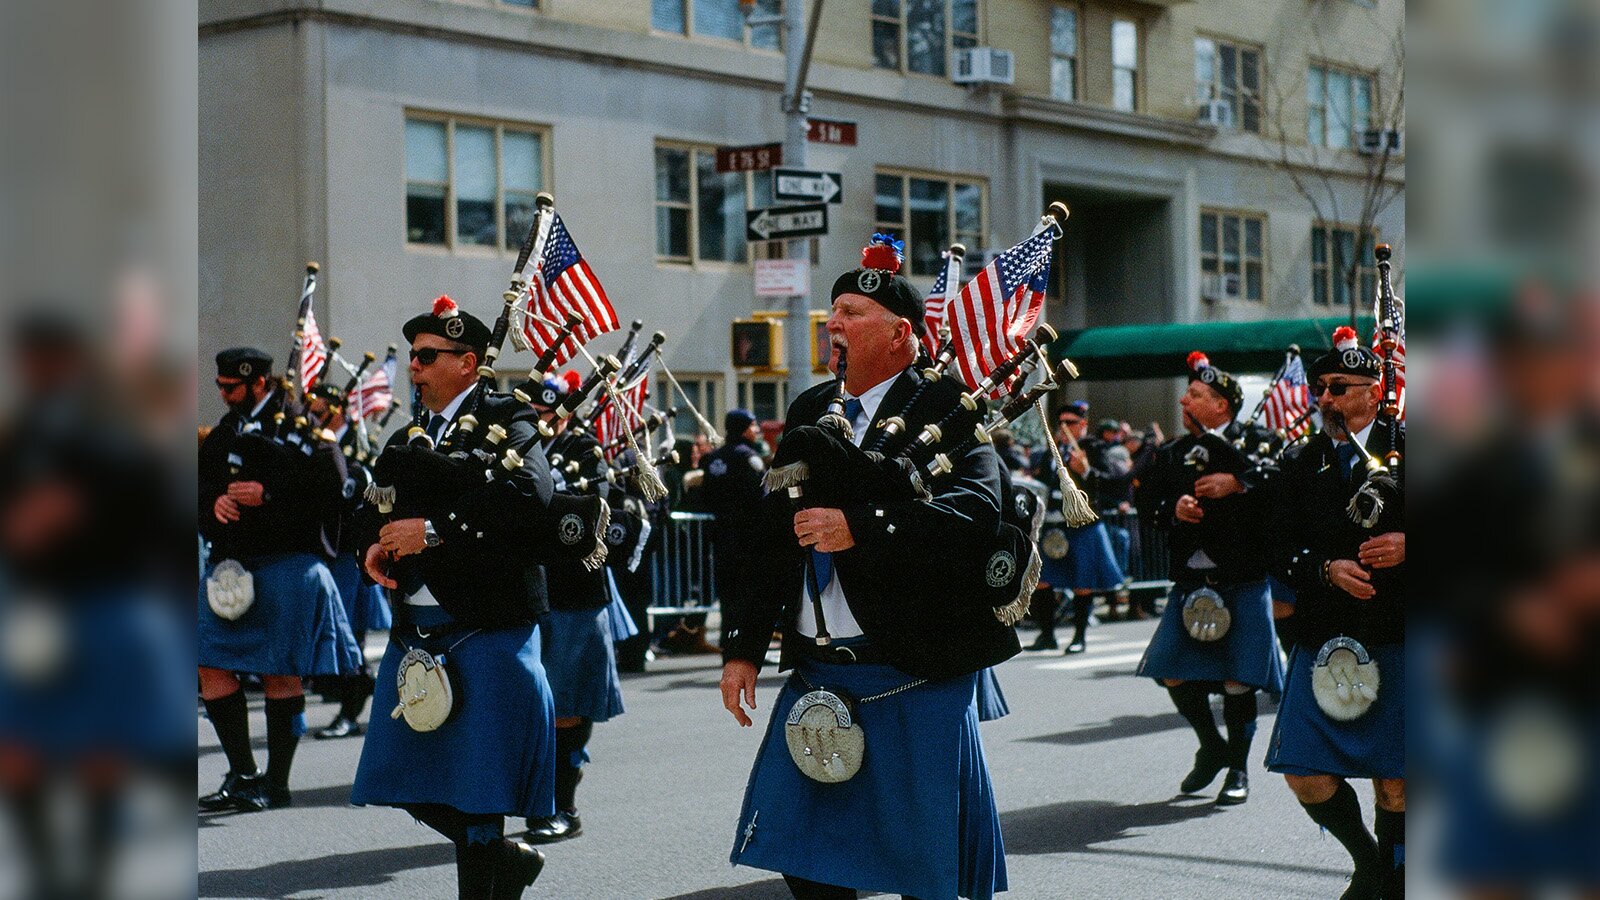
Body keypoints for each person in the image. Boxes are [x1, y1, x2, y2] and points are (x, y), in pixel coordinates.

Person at [720, 239, 1015, 900]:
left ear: (900, 332)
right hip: (819, 668)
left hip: (915, 667)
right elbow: (772, 536)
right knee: (808, 860)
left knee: (921, 871)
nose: (834, 324)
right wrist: (741, 647)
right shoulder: (807, 412)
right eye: (833, 312)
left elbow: (979, 510)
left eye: (851, 312)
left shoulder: (945, 407)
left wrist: (864, 527)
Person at [350, 296, 554, 898]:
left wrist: (434, 531)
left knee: (479, 787)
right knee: (400, 773)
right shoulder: (411, 433)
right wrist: (374, 545)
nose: (414, 366)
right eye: (412, 356)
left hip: (486, 622)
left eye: (426, 356)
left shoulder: (509, 416)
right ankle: (508, 861)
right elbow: (377, 501)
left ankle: (491, 874)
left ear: (468, 362)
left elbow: (529, 493)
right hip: (417, 630)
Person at [1267, 327, 1405, 900]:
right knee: (1303, 769)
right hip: (1327, 635)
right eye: (1320, 388)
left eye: (1337, 387)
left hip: (1400, 630)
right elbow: (1275, 546)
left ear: (1374, 392)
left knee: (1397, 780)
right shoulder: (1301, 462)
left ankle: (1397, 875)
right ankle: (1369, 862)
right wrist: (1324, 569)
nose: (1323, 398)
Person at [198, 347, 363, 813]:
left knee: (280, 672)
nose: (225, 395)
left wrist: (268, 493)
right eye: (221, 387)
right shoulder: (224, 433)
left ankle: (276, 783)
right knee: (206, 662)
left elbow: (334, 485)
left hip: (288, 563)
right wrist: (213, 506)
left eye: (232, 387)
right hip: (231, 567)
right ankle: (243, 773)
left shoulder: (304, 427)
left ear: (259, 383)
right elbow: (198, 489)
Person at [1133, 351, 1285, 806]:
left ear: (1222, 404)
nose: (1185, 399)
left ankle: (1237, 768)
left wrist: (1238, 484)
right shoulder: (1174, 452)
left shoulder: (1260, 442)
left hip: (1241, 577)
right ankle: (1213, 747)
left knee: (1240, 680)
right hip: (1191, 581)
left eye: (1196, 394)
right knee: (1172, 673)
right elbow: (1149, 506)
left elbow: (1281, 487)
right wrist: (1172, 511)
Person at [515, 372, 626, 845]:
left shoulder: (583, 451)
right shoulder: (511, 450)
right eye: (533, 414)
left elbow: (592, 508)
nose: (541, 420)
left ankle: (563, 806)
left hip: (572, 593)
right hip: (519, 589)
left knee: (565, 708)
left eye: (548, 412)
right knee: (520, 706)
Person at [304, 381, 391, 740]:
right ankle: (348, 697)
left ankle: (351, 711)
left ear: (337, 407)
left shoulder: (357, 443)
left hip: (349, 551)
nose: (313, 412)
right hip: (326, 548)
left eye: (319, 406)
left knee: (348, 631)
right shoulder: (319, 440)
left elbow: (362, 496)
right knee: (332, 631)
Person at [1030, 401, 1125, 652]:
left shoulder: (1094, 448)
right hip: (1054, 523)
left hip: (1082, 524)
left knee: (1082, 582)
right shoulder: (1052, 450)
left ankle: (1079, 636)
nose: (1064, 428)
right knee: (1042, 580)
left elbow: (1114, 485)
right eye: (1060, 423)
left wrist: (1086, 471)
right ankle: (1047, 635)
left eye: (1070, 423)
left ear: (1083, 425)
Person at [699, 409, 766, 630]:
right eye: (753, 426)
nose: (756, 431)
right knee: (749, 597)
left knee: (728, 598)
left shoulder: (714, 458)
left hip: (721, 538)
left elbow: (706, 496)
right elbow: (762, 495)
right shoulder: (748, 457)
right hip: (749, 539)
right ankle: (744, 651)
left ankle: (729, 645)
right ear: (745, 428)